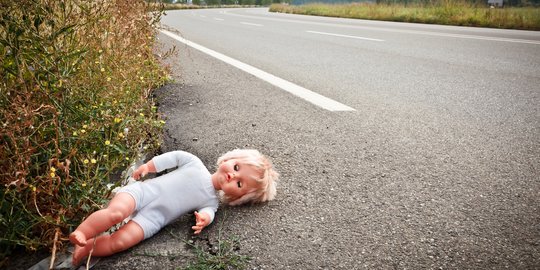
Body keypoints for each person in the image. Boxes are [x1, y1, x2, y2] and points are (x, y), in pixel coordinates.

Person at [69, 149, 278, 266]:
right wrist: (149, 166)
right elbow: (175, 157)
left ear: (237, 197)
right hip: (143, 193)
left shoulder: (211, 201)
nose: (233, 175)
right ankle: (82, 232)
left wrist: (204, 219)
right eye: (236, 167)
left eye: (239, 184)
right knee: (116, 212)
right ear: (229, 158)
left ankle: (87, 247)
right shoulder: (195, 164)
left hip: (154, 219)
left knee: (121, 242)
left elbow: (209, 212)